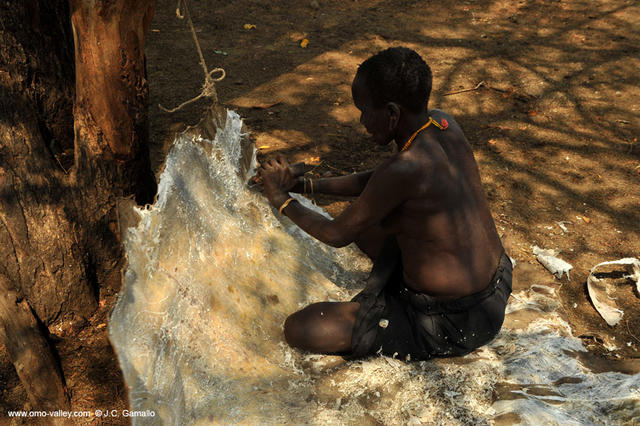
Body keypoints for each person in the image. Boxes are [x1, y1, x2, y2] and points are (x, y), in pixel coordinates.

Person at [258, 46, 511, 361]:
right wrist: (304, 185)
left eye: (365, 110)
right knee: (367, 221)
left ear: (392, 113)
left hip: (454, 323)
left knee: (302, 328)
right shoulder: (441, 124)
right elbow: (379, 181)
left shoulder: (406, 168)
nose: (363, 120)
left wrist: (281, 199)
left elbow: (338, 234)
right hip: (497, 285)